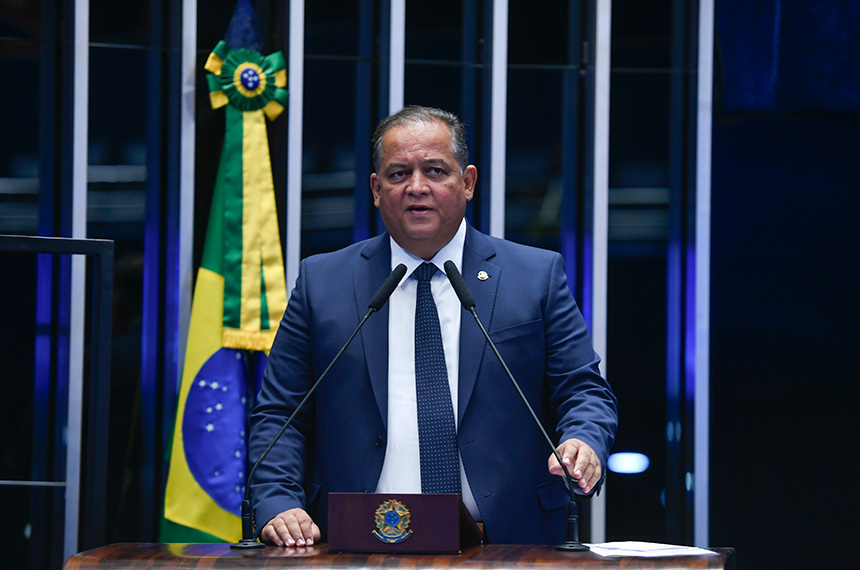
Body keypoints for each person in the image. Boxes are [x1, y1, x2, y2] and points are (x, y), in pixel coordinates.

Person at [250, 106, 617, 547]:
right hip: (356, 543)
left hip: (509, 544)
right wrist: (277, 501)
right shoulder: (323, 282)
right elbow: (281, 413)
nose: (417, 187)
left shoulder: (534, 276)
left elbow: (583, 390)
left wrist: (584, 440)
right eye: (399, 173)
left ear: (468, 182)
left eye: (435, 171)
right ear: (376, 189)